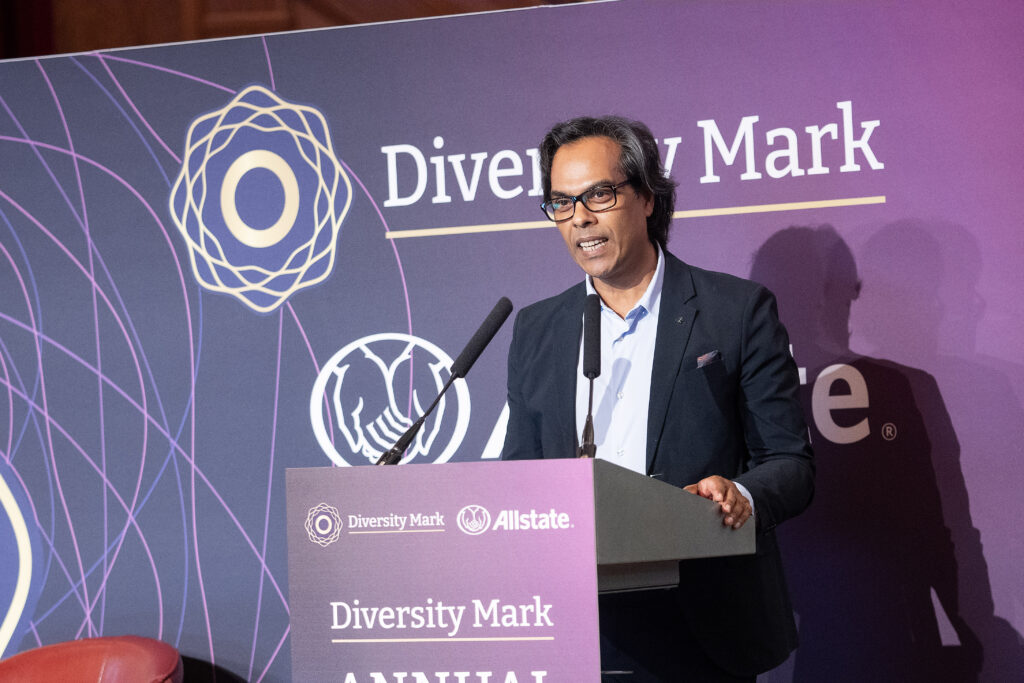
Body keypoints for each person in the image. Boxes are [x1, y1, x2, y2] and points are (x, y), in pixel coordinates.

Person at [502, 115, 815, 681]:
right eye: (562, 203)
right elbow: (521, 478)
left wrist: (740, 495)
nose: (580, 218)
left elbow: (790, 463)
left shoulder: (735, 311)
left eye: (599, 194)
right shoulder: (537, 329)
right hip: (579, 631)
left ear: (647, 196)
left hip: (702, 624)